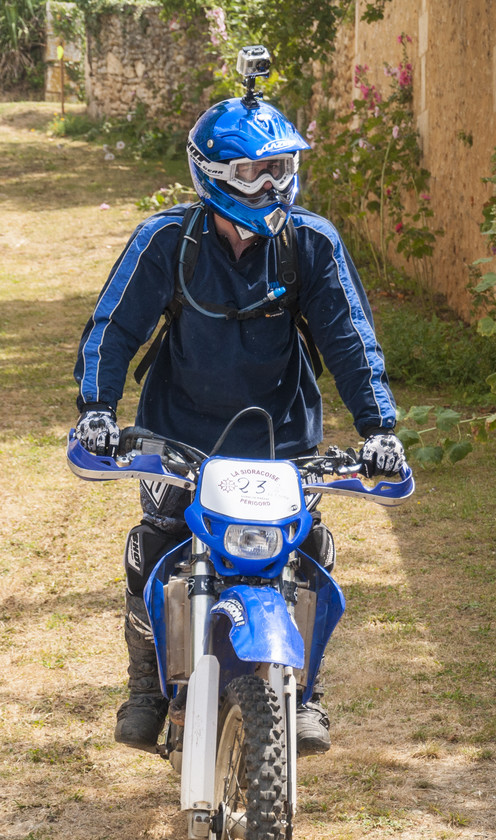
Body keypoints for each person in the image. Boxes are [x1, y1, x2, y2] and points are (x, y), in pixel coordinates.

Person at [73, 80, 405, 758]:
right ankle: (146, 686)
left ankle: (302, 693)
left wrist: (379, 430)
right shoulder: (166, 240)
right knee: (157, 546)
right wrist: (97, 412)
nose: (270, 185)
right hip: (176, 435)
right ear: (214, 174)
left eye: (280, 168)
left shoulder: (311, 243)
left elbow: (350, 338)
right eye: (253, 171)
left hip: (282, 441)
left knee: (306, 553)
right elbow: (114, 327)